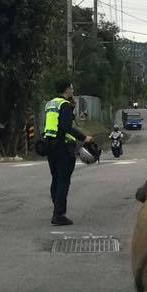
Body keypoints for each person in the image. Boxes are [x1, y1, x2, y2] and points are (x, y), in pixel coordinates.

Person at [43, 79, 92, 226]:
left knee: (56, 179)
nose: (73, 90)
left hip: (50, 145)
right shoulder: (64, 105)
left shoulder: (50, 104)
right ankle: (59, 215)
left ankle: (57, 208)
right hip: (63, 147)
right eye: (71, 88)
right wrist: (84, 137)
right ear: (66, 89)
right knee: (63, 181)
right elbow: (66, 127)